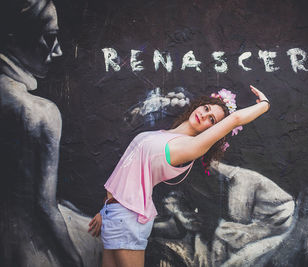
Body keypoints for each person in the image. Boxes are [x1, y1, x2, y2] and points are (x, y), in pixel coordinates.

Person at [88, 85, 271, 267]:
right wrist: (107, 208)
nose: (204, 115)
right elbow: (126, 172)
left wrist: (264, 104)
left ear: (212, 130)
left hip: (129, 217)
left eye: (212, 119)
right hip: (115, 212)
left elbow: (236, 118)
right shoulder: (164, 134)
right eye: (206, 108)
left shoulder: (190, 147)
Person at [0, 1, 83, 266]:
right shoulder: (40, 113)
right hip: (26, 249)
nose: (57, 52)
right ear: (14, 37)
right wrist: (75, 262)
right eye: (49, 38)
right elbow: (44, 209)